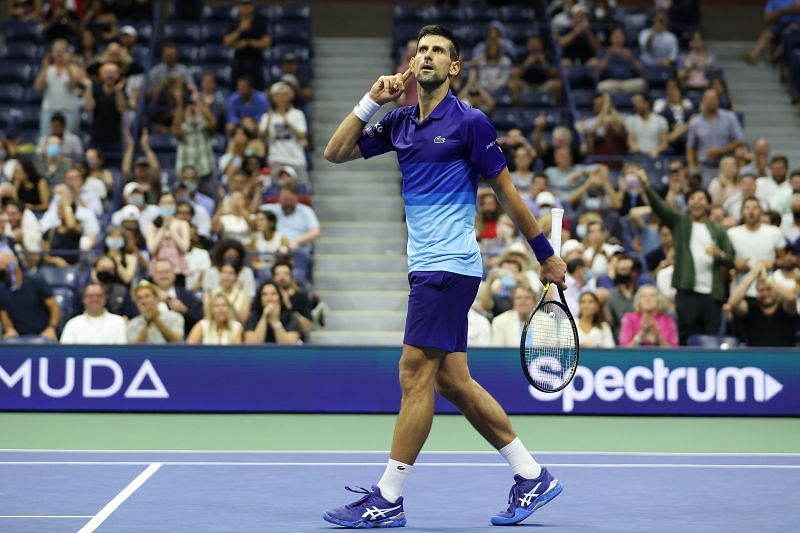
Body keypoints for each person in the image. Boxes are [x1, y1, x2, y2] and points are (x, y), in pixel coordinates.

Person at [322, 25, 567, 528]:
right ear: (411, 65)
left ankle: (388, 497)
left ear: (454, 67)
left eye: (437, 51)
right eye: (421, 50)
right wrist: (371, 99)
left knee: (414, 375)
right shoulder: (399, 123)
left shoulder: (470, 123)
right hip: (426, 268)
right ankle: (531, 474)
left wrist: (544, 255)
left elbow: (507, 193)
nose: (426, 55)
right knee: (453, 382)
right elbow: (336, 151)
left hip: (449, 266)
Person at [639, 171, 735, 345]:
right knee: (685, 336)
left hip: (712, 294)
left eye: (701, 199)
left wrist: (719, 255)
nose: (696, 202)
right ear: (688, 204)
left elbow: (730, 259)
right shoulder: (680, 222)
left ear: (708, 204)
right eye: (692, 199)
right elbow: (660, 207)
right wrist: (646, 185)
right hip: (686, 291)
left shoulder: (718, 230)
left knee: (711, 339)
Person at [728, 260, 798, 346]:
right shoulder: (751, 309)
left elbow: (791, 298)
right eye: (761, 290)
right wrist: (753, 275)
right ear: (756, 292)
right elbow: (732, 302)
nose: (765, 294)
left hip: (784, 357)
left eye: (769, 290)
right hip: (755, 357)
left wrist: (767, 279)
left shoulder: (785, 309)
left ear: (775, 291)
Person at [0, 251, 60, 340]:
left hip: (43, 333)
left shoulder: (36, 281)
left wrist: (51, 328)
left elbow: (54, 307)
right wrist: (9, 329)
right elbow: (4, 313)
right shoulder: (2, 289)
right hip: (18, 337)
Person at [223, 0, 271, 91]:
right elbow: (226, 42)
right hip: (239, 61)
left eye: (248, 5)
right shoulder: (234, 23)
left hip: (255, 61)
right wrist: (240, 30)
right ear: (239, 7)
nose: (245, 8)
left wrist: (248, 43)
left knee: (258, 88)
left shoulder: (259, 23)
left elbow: (267, 43)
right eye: (243, 5)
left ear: (252, 7)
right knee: (235, 88)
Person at [60, 283, 128, 344]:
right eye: (90, 296)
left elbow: (122, 351)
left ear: (105, 298)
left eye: (99, 295)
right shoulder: (73, 324)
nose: (95, 299)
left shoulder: (118, 322)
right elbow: (65, 352)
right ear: (83, 299)